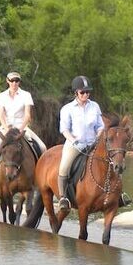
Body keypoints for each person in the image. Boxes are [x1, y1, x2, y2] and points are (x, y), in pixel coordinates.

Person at [0, 71, 48, 187]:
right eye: (12, 81)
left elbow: (27, 115)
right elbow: (1, 115)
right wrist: (6, 127)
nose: (14, 83)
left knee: (43, 147)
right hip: (6, 128)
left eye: (17, 81)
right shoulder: (2, 96)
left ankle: (39, 176)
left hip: (21, 127)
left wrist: (21, 128)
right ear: (7, 81)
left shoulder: (26, 95)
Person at [56, 75, 104, 210]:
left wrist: (98, 137)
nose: (85, 95)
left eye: (88, 92)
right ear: (76, 92)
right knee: (64, 167)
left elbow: (100, 126)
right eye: (82, 92)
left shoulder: (95, 106)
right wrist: (73, 140)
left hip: (93, 143)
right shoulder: (67, 109)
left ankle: (117, 194)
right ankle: (63, 198)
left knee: (112, 161)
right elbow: (64, 130)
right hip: (75, 144)